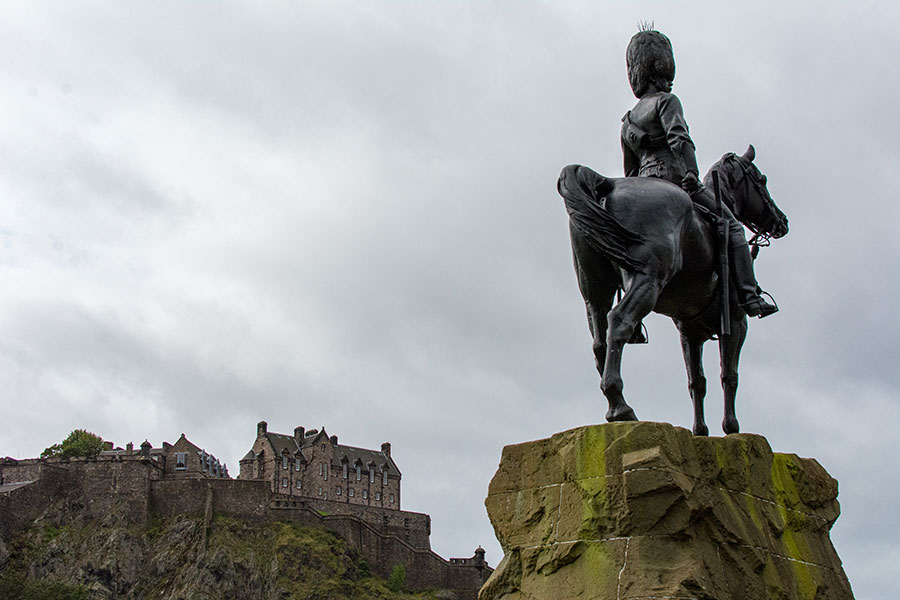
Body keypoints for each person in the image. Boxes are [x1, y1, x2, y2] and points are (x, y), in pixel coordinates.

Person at [620, 29, 777, 324]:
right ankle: (750, 295)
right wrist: (691, 174)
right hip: (676, 181)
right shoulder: (667, 101)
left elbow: (630, 173)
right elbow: (680, 140)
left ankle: (631, 312)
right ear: (661, 64)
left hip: (643, 187)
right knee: (733, 228)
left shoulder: (627, 122)